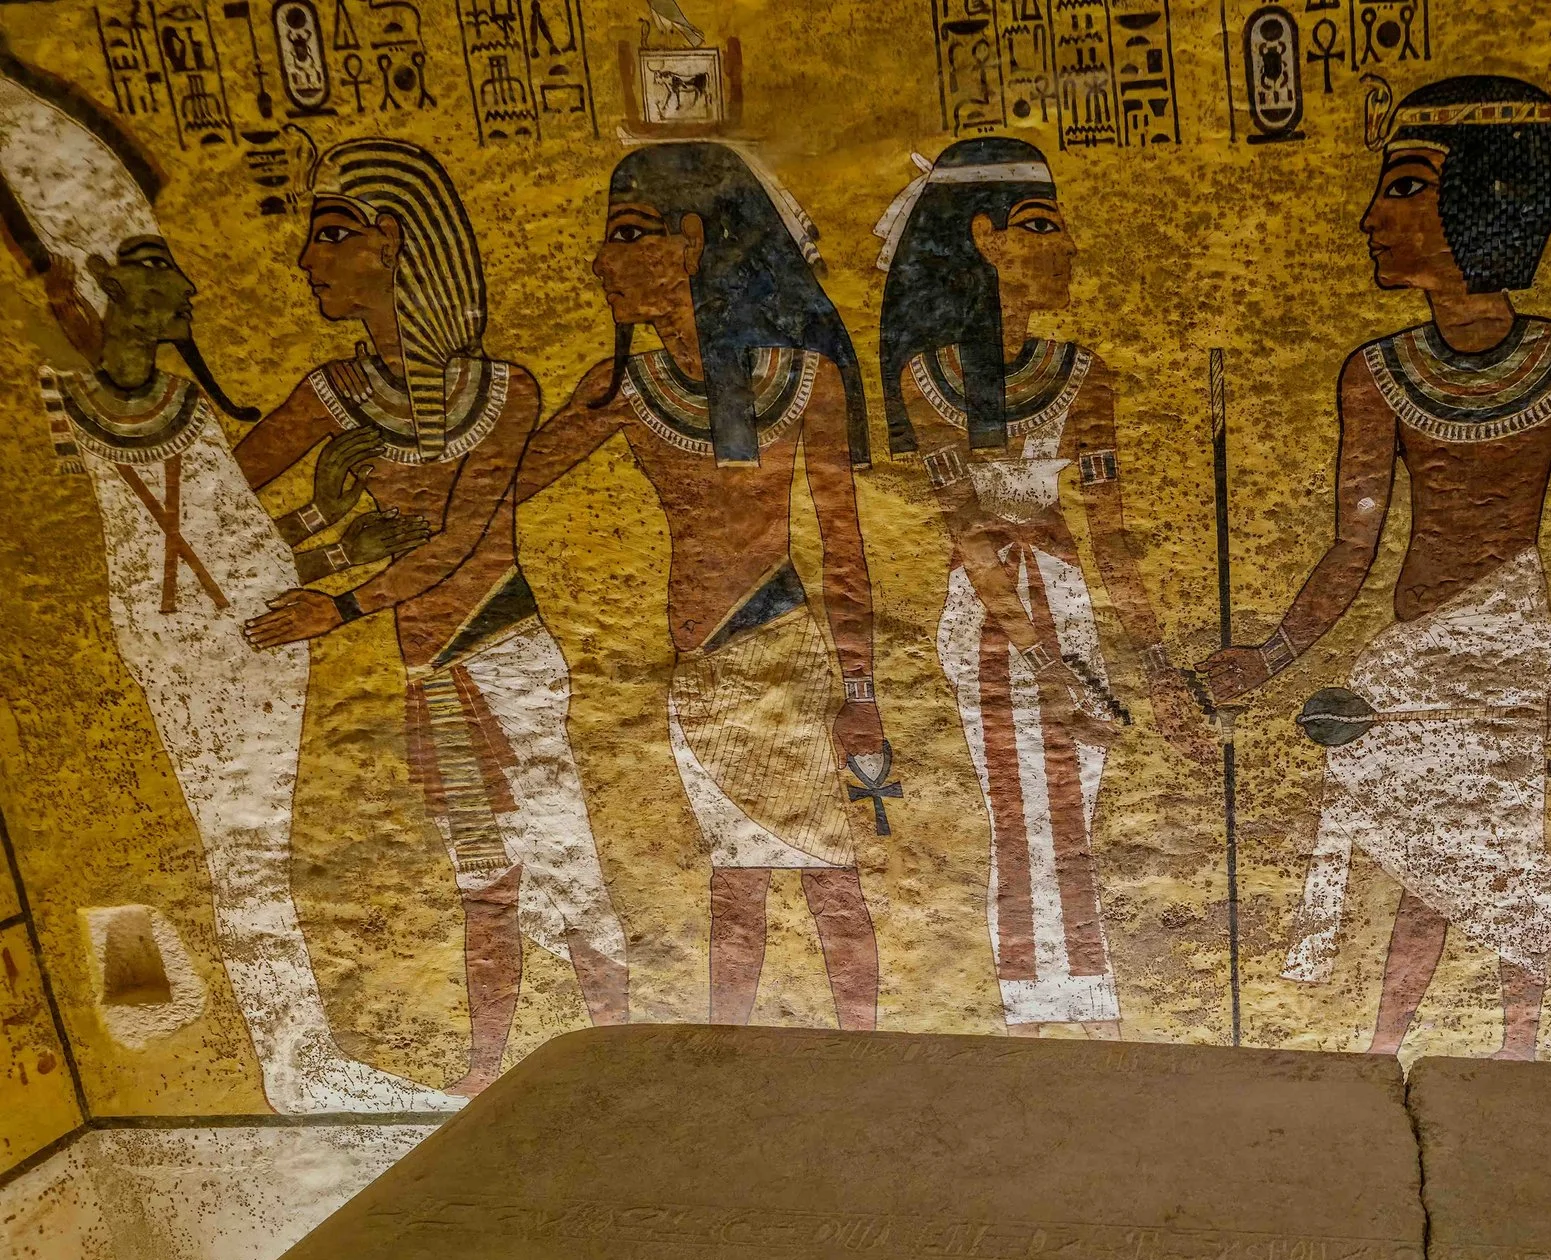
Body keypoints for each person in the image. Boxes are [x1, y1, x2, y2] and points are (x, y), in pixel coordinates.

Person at [0, 58, 451, 1112]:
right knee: (241, 860)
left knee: (266, 854)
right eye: (154, 262)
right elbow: (158, 517)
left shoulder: (172, 410)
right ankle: (291, 1063)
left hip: (247, 645)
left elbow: (232, 526)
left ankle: (301, 1057)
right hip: (200, 655)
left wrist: (338, 543)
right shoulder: (103, 409)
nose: (192, 286)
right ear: (94, 291)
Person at [1197, 79, 1551, 1061]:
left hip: (1510, 648)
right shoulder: (1376, 371)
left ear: (1487, 195)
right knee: (1411, 854)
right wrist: (1268, 659)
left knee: (1497, 862)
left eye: (1402, 186)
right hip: (1413, 654)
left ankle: (1515, 1048)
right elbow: (1353, 548)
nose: (1370, 216)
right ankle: (1383, 1048)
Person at [234, 139, 628, 1097]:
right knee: (482, 886)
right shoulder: (336, 394)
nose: (306, 262)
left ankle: (624, 1050)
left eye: (331, 235)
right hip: (430, 676)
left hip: (503, 653)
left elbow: (462, 538)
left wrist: (338, 601)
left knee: (567, 873)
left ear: (393, 238)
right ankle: (487, 1074)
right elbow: (228, 493)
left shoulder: (503, 392)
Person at [518, 141, 887, 1030]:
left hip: (785, 649)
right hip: (697, 676)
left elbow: (846, 548)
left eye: (626, 233)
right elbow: (510, 483)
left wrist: (861, 693)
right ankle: (729, 1068)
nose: (601, 260)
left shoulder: (804, 380)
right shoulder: (624, 388)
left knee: (830, 882)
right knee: (735, 888)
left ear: (689, 242)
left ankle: (870, 1061)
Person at [876, 138, 1212, 1038]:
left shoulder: (1084, 376)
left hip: (1064, 601)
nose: (1065, 246)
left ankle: (1081, 1000)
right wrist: (1046, 664)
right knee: (1025, 815)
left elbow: (1114, 530)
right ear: (983, 237)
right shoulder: (930, 380)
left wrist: (1156, 666)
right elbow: (969, 532)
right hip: (993, 615)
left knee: (1073, 806)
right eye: (1041, 225)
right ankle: (1036, 1001)